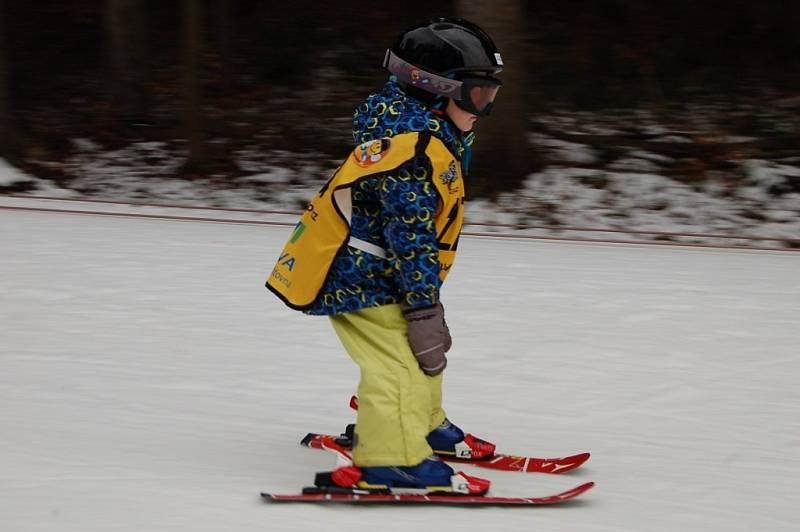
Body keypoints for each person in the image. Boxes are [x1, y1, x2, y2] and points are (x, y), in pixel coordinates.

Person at [266, 17, 503, 492]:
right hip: (358, 276)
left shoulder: (427, 134)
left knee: (424, 353)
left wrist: (424, 306)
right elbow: (409, 236)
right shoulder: (410, 151)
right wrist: (422, 305)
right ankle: (390, 459)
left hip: (383, 272)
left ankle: (418, 422)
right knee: (397, 364)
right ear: (436, 92)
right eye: (478, 95)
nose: (486, 108)